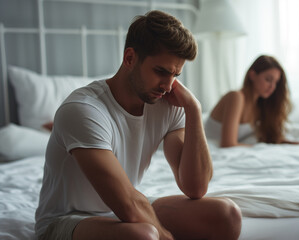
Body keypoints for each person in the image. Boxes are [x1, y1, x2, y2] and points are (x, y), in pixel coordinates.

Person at [35, 10, 242, 240]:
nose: (167, 85)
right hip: (69, 220)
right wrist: (166, 236)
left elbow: (195, 187)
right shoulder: (84, 110)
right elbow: (127, 202)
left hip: (123, 212)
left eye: (175, 74)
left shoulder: (166, 104)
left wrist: (193, 109)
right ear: (130, 58)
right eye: (161, 71)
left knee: (227, 214)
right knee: (143, 236)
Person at [205, 55, 297, 147]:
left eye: (276, 82)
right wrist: (261, 148)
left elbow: (269, 138)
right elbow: (228, 144)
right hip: (210, 148)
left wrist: (294, 144)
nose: (272, 87)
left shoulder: (260, 105)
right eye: (268, 80)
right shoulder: (236, 97)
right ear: (252, 75)